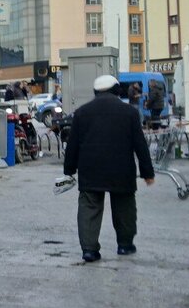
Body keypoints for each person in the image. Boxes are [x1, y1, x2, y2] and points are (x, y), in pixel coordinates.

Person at [64, 75, 154, 263]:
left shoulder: (81, 112)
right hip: (121, 170)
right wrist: (147, 173)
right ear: (116, 90)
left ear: (96, 91)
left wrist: (69, 169)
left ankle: (89, 250)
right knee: (124, 208)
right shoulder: (129, 112)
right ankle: (125, 245)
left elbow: (72, 145)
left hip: (91, 170)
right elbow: (140, 144)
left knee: (89, 208)